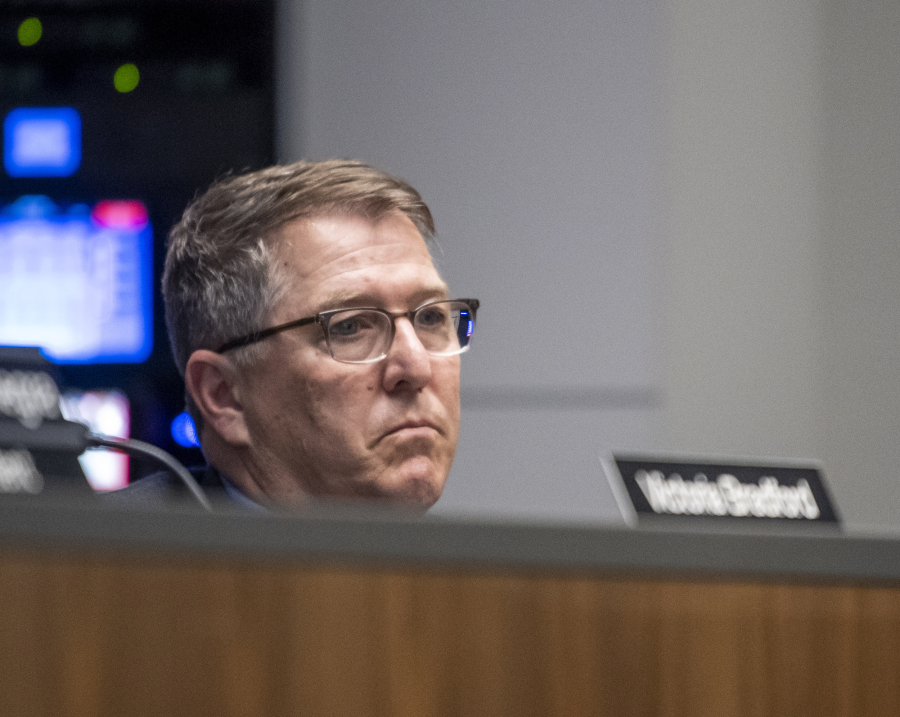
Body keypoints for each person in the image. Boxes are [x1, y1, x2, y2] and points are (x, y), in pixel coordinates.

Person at [106, 160, 478, 511]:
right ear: (223, 395)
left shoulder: (492, 573)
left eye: (430, 317)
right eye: (349, 327)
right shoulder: (92, 568)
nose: (416, 367)